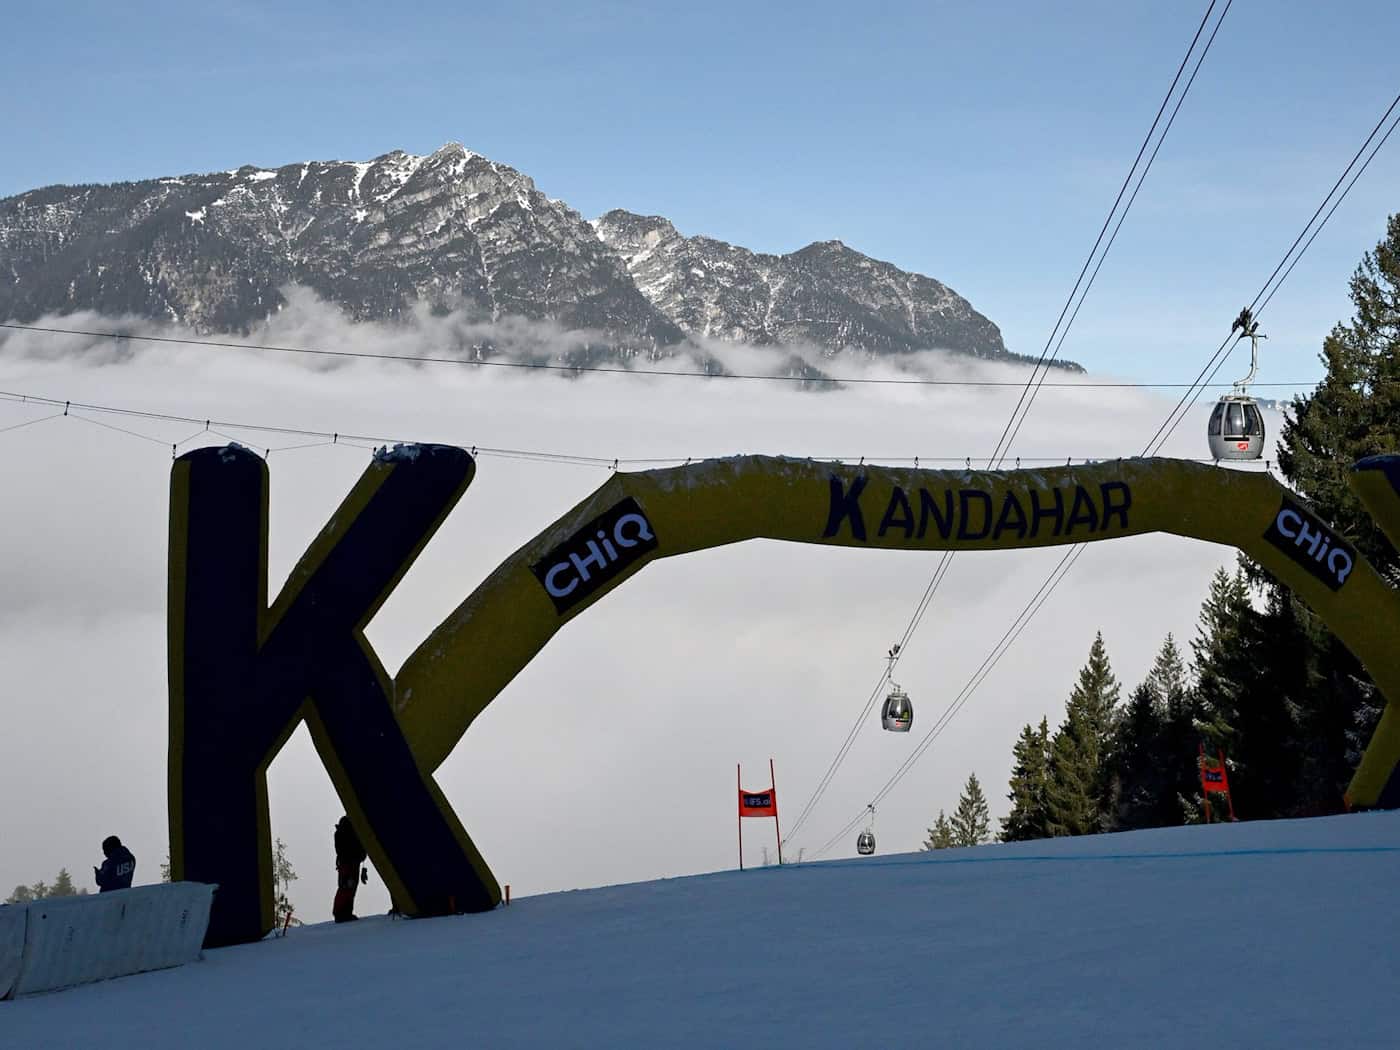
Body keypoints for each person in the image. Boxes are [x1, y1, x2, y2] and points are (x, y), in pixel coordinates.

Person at [332, 816, 367, 923]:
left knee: (348, 887)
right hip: (349, 863)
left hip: (348, 863)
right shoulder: (350, 830)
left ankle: (344, 913)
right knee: (347, 887)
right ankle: (342, 913)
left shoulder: (342, 832)